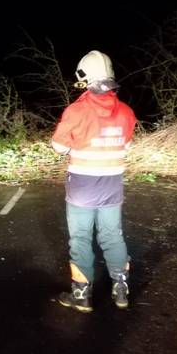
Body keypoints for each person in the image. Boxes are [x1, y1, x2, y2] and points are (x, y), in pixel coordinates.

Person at [50, 50, 137, 313]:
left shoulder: (76, 110)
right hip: (112, 184)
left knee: (80, 238)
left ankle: (82, 295)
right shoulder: (126, 111)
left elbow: (57, 146)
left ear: (85, 78)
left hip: (82, 188)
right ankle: (121, 290)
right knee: (112, 235)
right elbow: (127, 145)